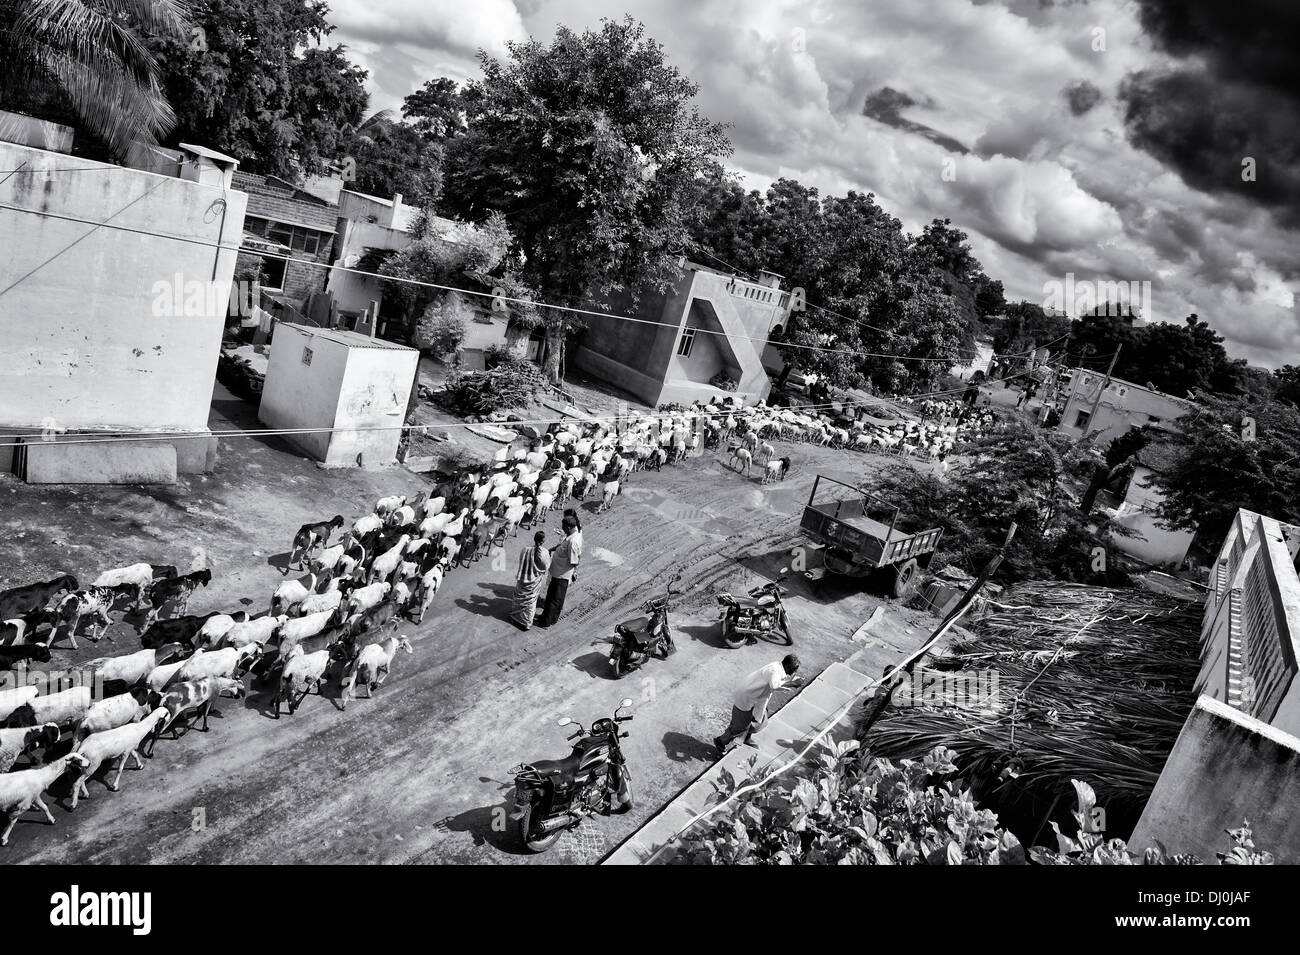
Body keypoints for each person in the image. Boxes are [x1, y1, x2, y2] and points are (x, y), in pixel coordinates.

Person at [714, 655, 803, 754]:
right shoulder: (775, 670)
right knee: (739, 727)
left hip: (757, 699)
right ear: (787, 666)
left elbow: (776, 682)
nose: (793, 673)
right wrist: (793, 684)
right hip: (747, 698)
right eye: (793, 670)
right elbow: (774, 685)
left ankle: (746, 737)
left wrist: (790, 682)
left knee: (760, 722)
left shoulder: (779, 668)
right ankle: (720, 742)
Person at [538, 516, 582, 627]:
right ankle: (548, 617)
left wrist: (574, 572)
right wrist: (552, 549)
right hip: (558, 573)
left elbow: (574, 561)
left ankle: (546, 622)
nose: (562, 529)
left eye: (563, 527)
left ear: (568, 527)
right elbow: (562, 546)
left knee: (554, 599)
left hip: (562, 576)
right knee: (552, 597)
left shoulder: (573, 541)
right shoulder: (571, 536)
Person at [511, 531, 550, 630]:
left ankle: (515, 618)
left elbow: (521, 562)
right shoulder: (544, 553)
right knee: (530, 602)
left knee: (519, 598)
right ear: (543, 541)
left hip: (523, 580)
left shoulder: (525, 550)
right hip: (534, 583)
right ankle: (526, 623)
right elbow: (546, 567)